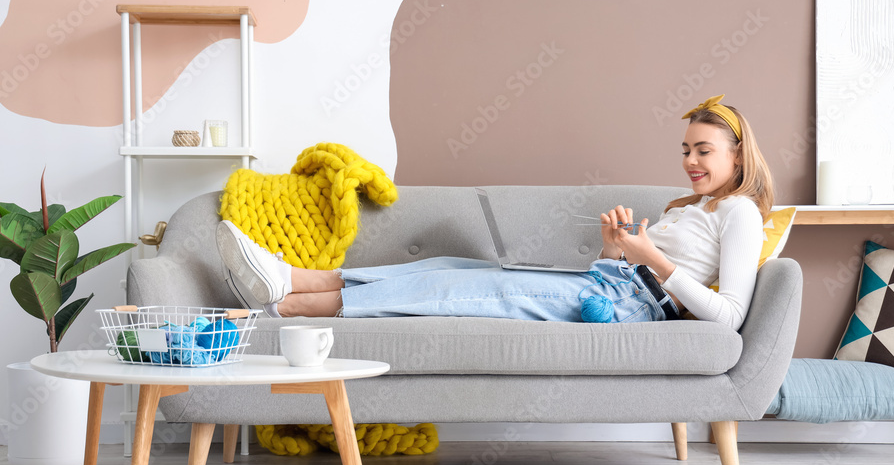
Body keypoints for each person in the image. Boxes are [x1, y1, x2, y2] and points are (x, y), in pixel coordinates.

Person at [217, 94, 773, 331]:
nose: (691, 162)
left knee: (450, 294)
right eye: (686, 150)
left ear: (738, 154)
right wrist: (616, 245)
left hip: (623, 307)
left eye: (704, 151)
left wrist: (652, 257)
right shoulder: (693, 206)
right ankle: (289, 282)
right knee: (443, 269)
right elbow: (632, 267)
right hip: (609, 284)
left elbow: (729, 316)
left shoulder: (741, 212)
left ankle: (284, 307)